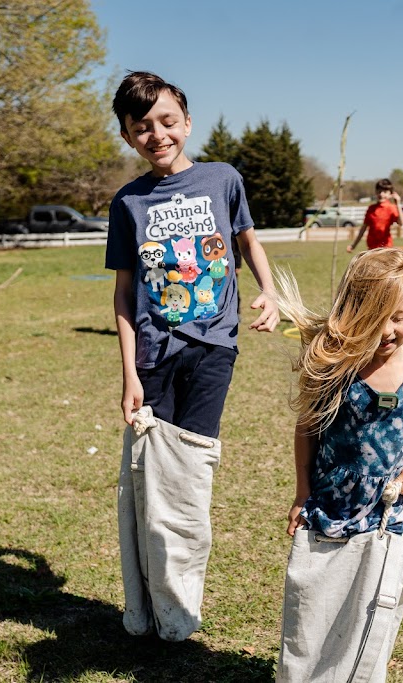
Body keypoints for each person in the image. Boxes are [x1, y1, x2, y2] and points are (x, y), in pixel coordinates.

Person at [105, 71, 279, 641]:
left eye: (166, 121)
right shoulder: (127, 202)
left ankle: (179, 607)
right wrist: (129, 373)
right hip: (153, 358)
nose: (157, 135)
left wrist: (269, 291)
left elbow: (248, 239)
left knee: (190, 476)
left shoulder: (221, 180)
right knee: (150, 478)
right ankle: (148, 605)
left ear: (186, 120)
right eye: (141, 128)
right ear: (129, 136)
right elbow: (125, 294)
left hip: (213, 350)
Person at [274, 248, 403, 683]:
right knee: (319, 599)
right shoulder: (335, 366)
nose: (386, 331)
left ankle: (362, 674)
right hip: (332, 504)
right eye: (374, 318)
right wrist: (301, 493)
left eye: (398, 317)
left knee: (377, 598)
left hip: (392, 509)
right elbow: (307, 427)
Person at [346, 178, 403, 253]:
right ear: (376, 192)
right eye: (379, 191)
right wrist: (353, 245)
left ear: (391, 194)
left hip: (386, 247)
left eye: (385, 192)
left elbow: (402, 222)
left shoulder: (391, 208)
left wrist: (398, 204)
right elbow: (363, 229)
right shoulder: (371, 209)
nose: (381, 194)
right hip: (372, 247)